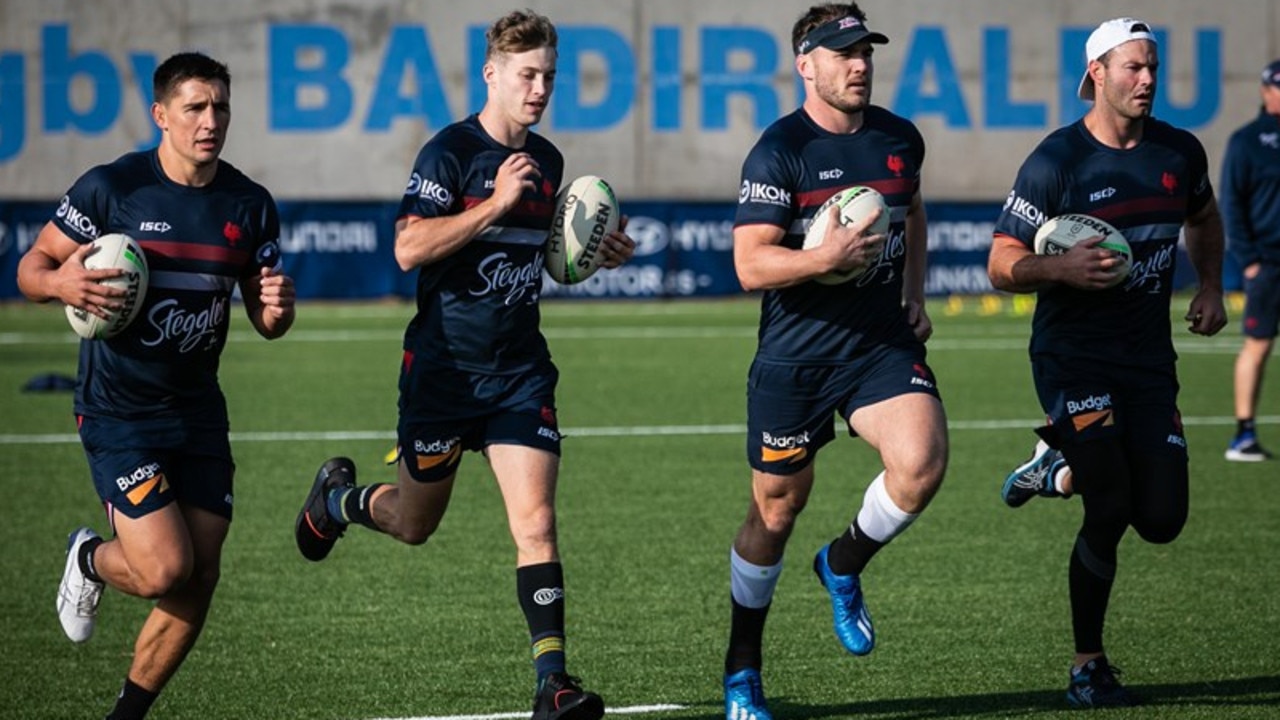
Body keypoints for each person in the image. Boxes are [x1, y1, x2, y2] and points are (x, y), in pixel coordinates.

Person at [292, 10, 633, 720]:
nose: (539, 89)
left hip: (518, 372)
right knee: (416, 524)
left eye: (548, 76)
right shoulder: (449, 153)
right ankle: (339, 501)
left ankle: (553, 683)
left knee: (536, 522)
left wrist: (593, 251)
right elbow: (409, 248)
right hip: (443, 374)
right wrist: (494, 204)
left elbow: (546, 256)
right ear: (492, 74)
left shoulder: (552, 163)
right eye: (526, 75)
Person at [16, 52, 295, 720]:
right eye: (195, 107)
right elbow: (30, 267)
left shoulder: (249, 205)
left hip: (198, 410)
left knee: (200, 574)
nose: (211, 121)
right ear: (161, 114)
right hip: (120, 411)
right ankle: (88, 560)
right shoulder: (113, 190)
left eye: (221, 106)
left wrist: (277, 311)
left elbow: (266, 320)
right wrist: (59, 284)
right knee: (165, 569)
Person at [988, 17, 1228, 709]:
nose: (1147, 79)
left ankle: (1053, 462)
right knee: (1111, 499)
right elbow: (1001, 264)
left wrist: (1209, 283)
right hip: (1073, 358)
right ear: (1097, 73)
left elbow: (1204, 220)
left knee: (1162, 519)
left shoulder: (1179, 153)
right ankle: (1087, 665)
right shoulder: (1056, 161)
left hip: (1149, 361)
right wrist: (1057, 266)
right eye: (1133, 68)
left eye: (1152, 67)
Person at [724, 4, 948, 718]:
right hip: (795, 360)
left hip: (879, 346)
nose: (860, 64)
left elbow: (908, 209)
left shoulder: (898, 139)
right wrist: (824, 257)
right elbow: (750, 263)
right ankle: (743, 666)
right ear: (806, 65)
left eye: (866, 51)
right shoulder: (778, 150)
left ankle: (843, 562)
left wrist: (914, 291)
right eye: (844, 53)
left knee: (922, 463)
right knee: (776, 513)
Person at [1222, 59, 1280, 462]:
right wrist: (1249, 261)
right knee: (1257, 345)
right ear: (1265, 91)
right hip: (1268, 263)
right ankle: (1243, 434)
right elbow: (1231, 202)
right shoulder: (1247, 140)